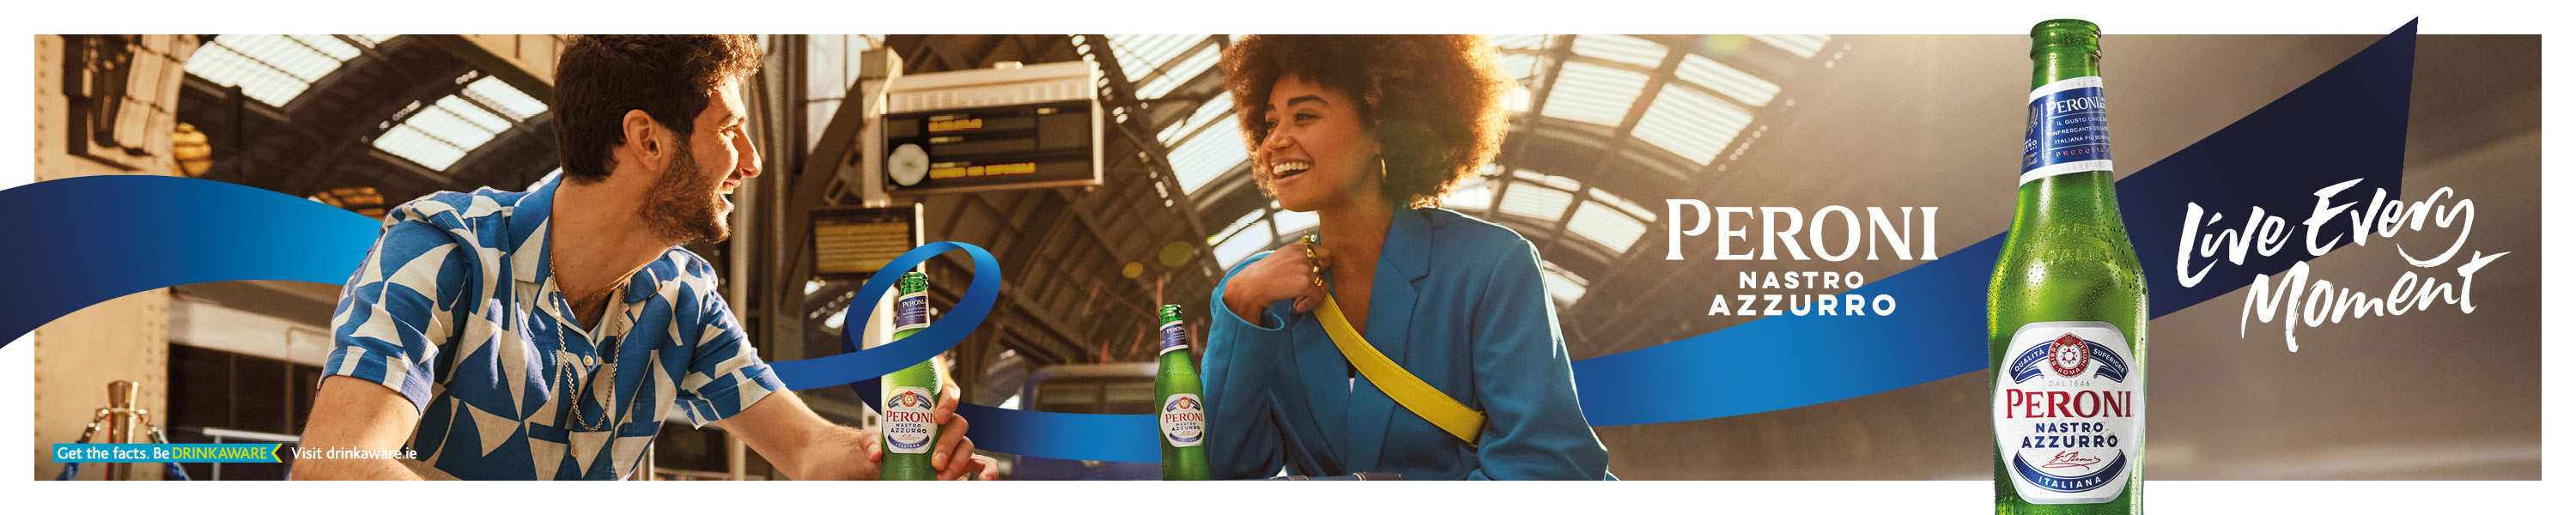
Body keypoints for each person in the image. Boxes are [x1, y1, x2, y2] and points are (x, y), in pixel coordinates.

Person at [295, 34, 995, 481]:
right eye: (731, 131)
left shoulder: (682, 297)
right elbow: (334, 471)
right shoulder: (445, 253)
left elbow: (808, 450)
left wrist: (900, 457)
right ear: (648, 140)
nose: (750, 164)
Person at [1204, 34, 1613, 480]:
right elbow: (1220, 475)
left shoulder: (1490, 267)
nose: (1275, 142)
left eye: (1304, 116)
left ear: (1384, 130)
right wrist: (1240, 305)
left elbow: (1547, 466)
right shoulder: (1257, 295)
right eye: (1268, 124)